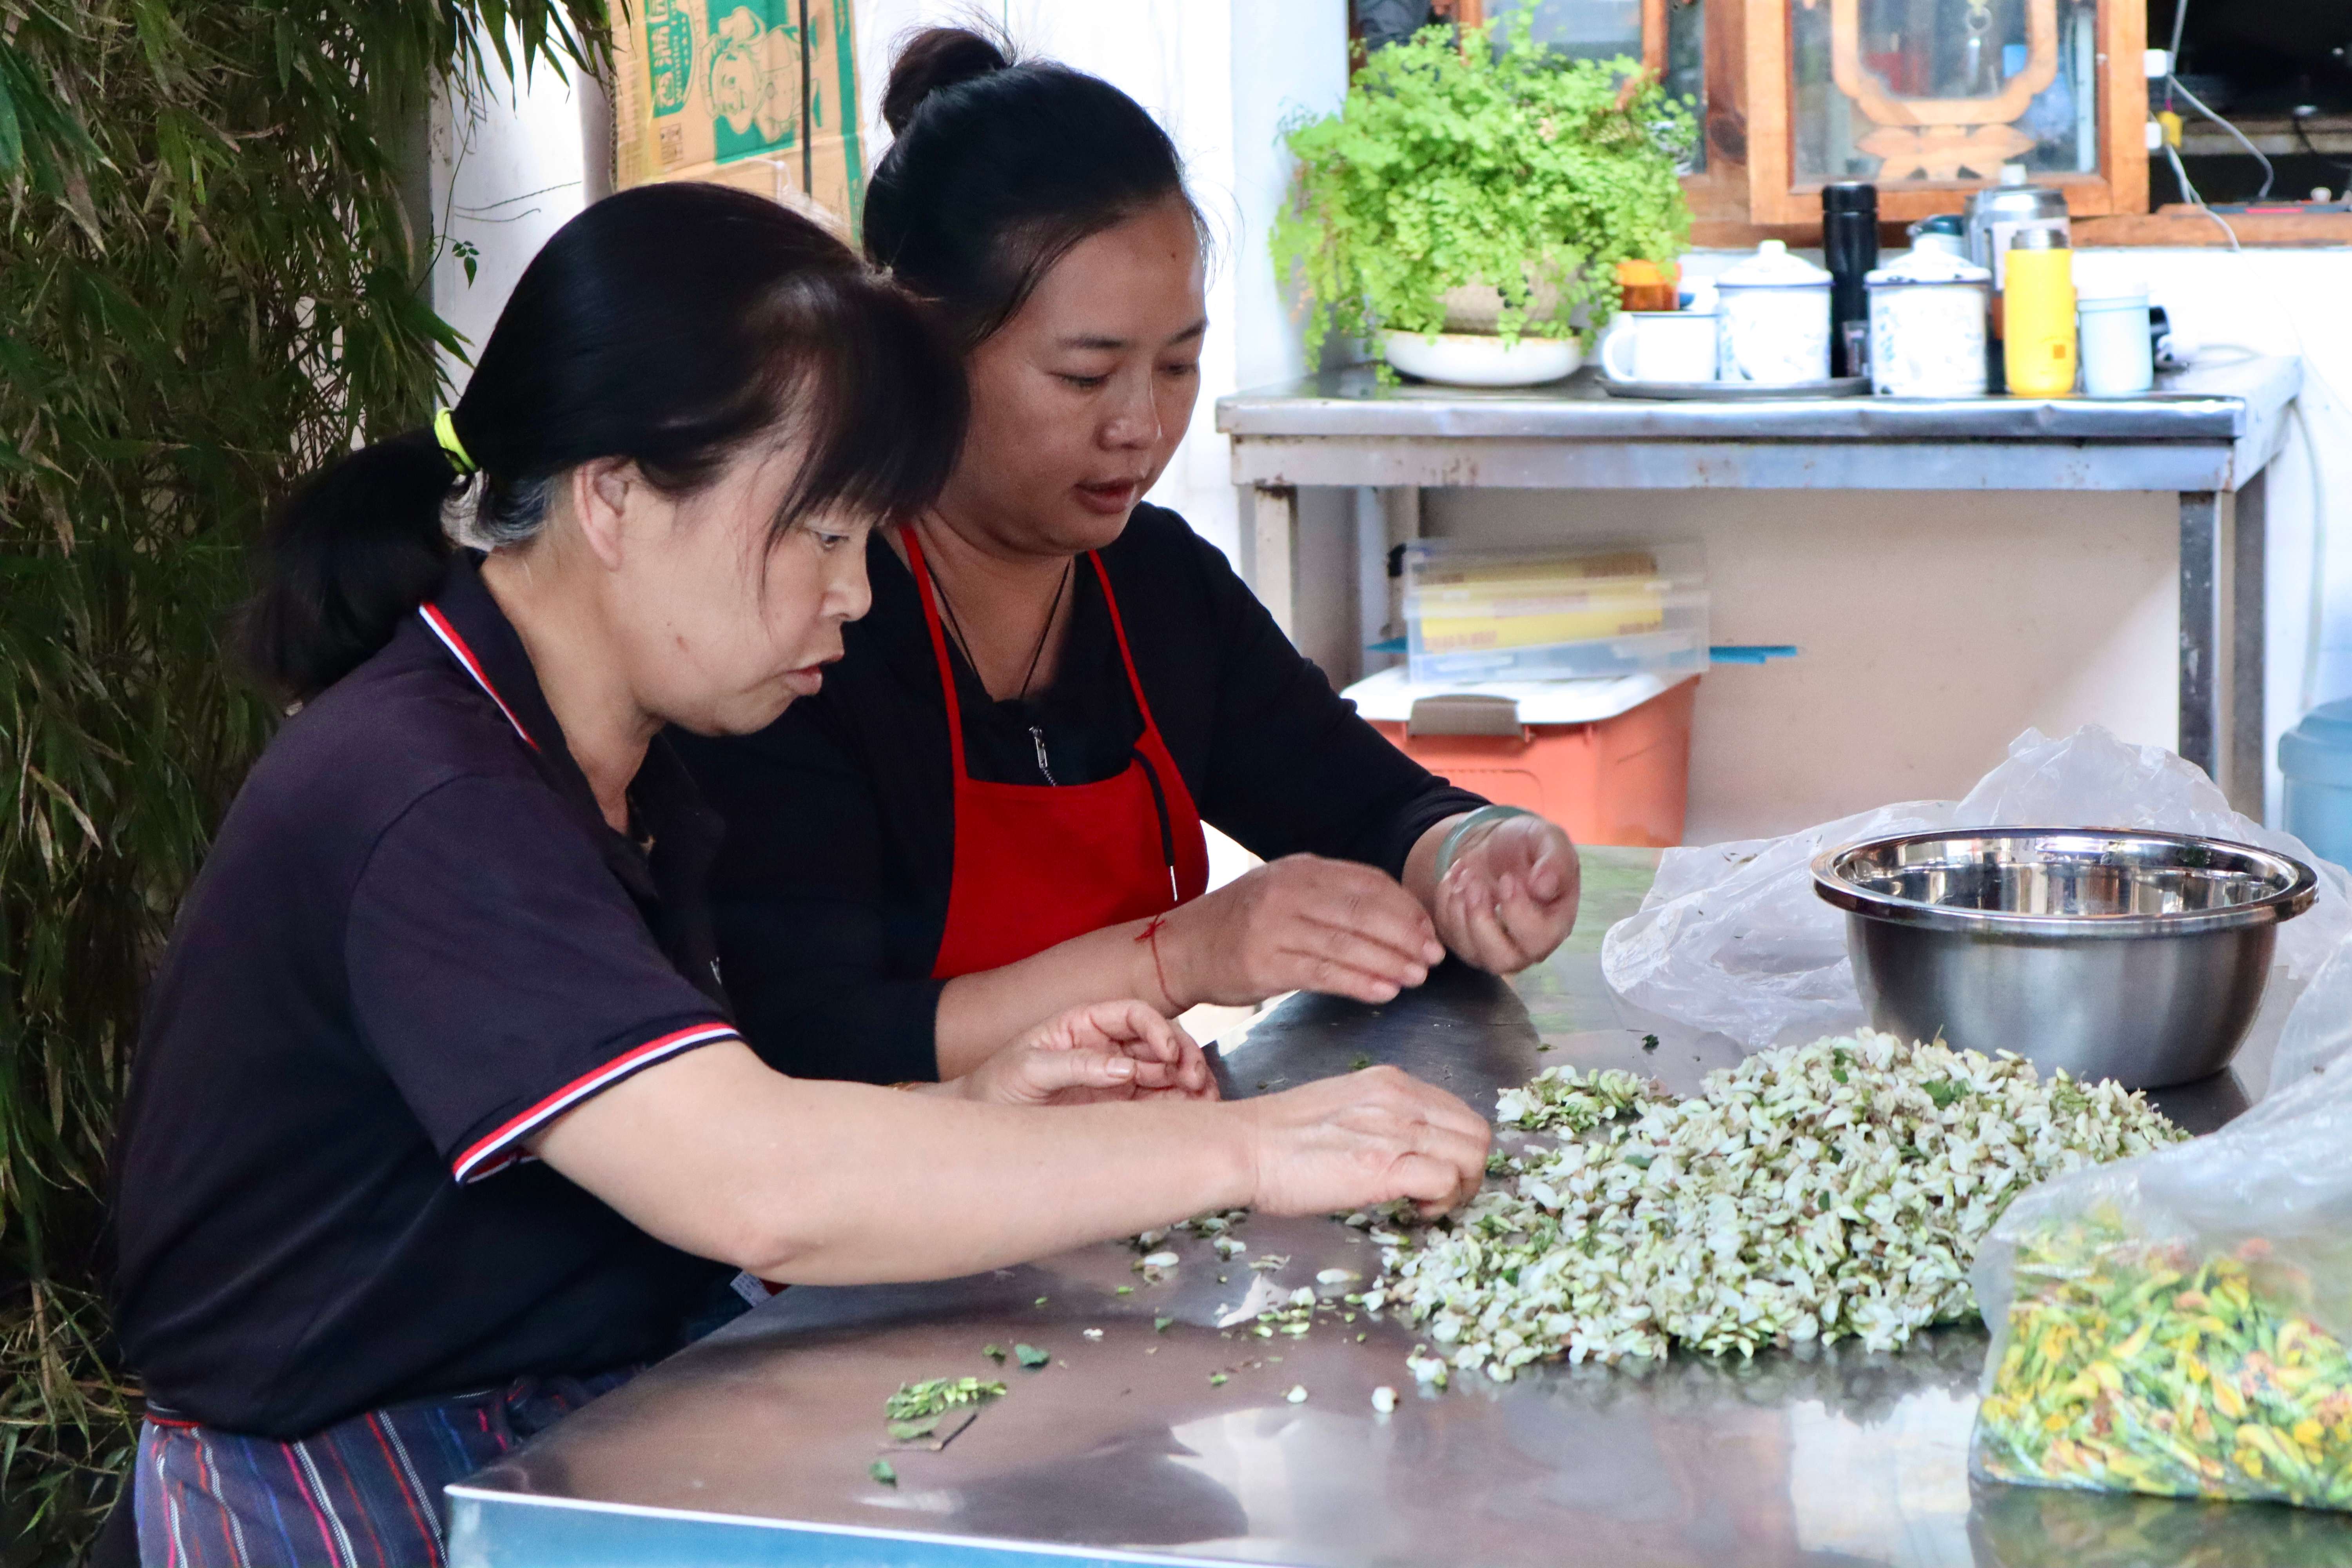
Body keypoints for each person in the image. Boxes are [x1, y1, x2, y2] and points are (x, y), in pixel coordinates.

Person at [107, 183, 1488, 1568]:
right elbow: (753, 1182)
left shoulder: (636, 761)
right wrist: (1246, 1150)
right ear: (615, 498)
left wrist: (972, 1113)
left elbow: (697, 1140)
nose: (856, 594)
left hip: (583, 1413)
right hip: (354, 1478)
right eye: (818, 534)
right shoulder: (432, 795)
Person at [673, 30, 1584, 1089]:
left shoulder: (1157, 585)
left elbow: (1368, 807)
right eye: (1085, 377)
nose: (1141, 428)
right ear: (922, 346)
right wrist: (1183, 956)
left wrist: (1474, 854)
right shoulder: (816, 622)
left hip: (1125, 1190)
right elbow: (814, 1040)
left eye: (1179, 365)